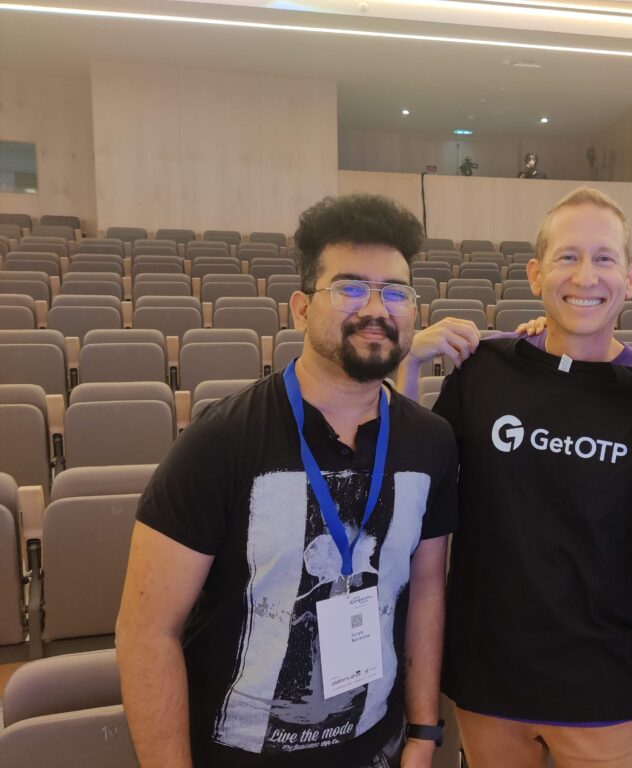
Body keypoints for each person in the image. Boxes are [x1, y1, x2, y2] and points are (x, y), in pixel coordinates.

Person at [116, 194, 459, 767]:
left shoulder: (431, 442)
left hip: (378, 749)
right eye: (350, 289)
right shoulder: (220, 442)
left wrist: (423, 731)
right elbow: (147, 631)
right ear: (301, 309)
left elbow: (425, 591)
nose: (377, 309)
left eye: (395, 292)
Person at [395, 187, 632, 767]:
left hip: (604, 692)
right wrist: (407, 362)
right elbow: (404, 488)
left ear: (630, 279)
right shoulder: (484, 373)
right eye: (568, 256)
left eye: (604, 258)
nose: (585, 275)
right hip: (489, 681)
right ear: (536, 273)